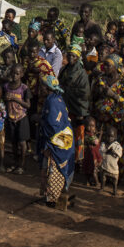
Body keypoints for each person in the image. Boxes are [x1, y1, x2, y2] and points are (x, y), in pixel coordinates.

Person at [37, 74, 76, 208]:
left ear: (47, 88)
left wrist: (40, 120)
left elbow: (53, 125)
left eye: (42, 86)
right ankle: (56, 196)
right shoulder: (56, 99)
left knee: (53, 169)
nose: (39, 88)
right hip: (62, 140)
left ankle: (53, 198)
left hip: (57, 141)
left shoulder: (52, 101)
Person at [99, 125, 123, 197]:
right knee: (103, 177)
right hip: (105, 165)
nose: (109, 138)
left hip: (113, 167)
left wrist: (113, 152)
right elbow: (101, 151)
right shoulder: (103, 144)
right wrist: (106, 151)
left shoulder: (117, 145)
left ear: (115, 137)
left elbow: (119, 154)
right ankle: (102, 187)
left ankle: (114, 191)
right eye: (108, 136)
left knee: (114, 180)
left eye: (111, 136)